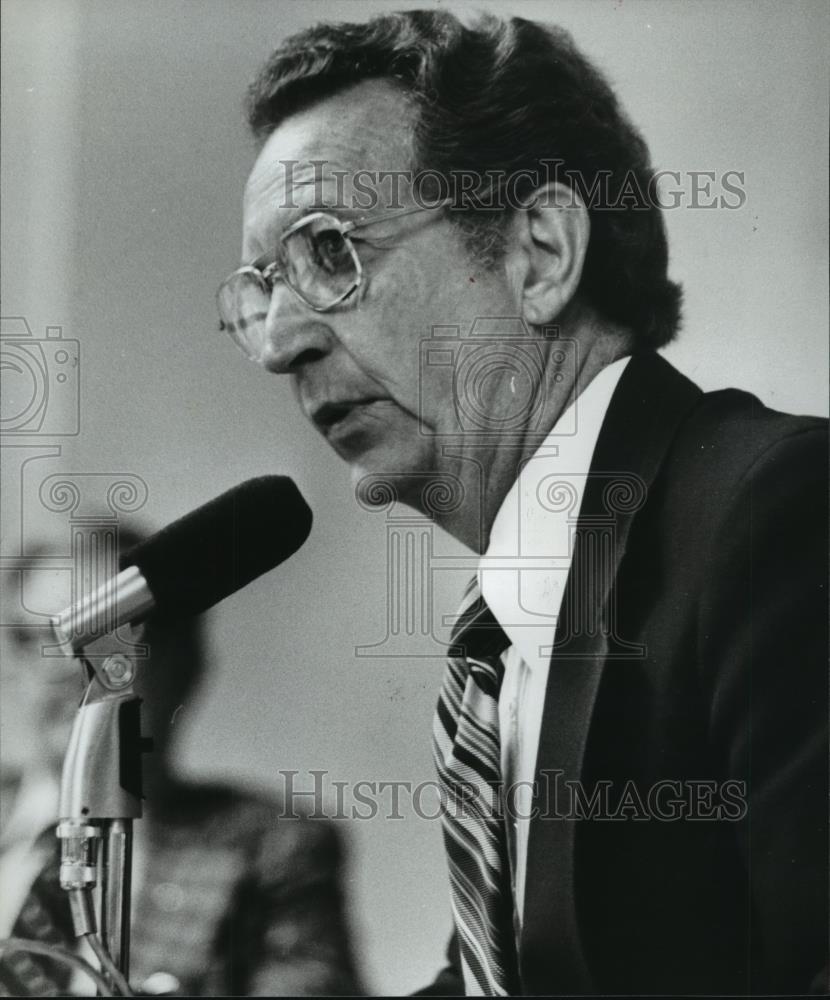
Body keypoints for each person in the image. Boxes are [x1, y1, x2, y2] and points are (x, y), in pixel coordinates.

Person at [217, 10, 828, 995]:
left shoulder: (780, 513)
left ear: (538, 252)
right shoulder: (511, 631)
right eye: (258, 292)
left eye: (327, 253)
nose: (283, 343)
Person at [0, 529, 363, 996]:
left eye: (110, 641)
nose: (71, 671)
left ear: (185, 663)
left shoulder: (270, 848)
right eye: (42, 640)